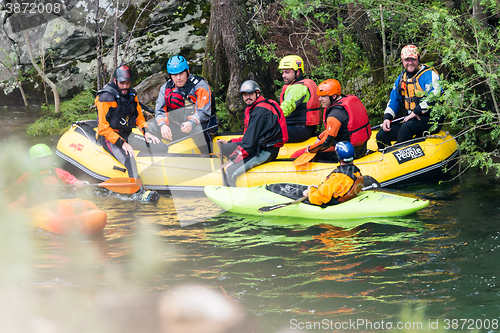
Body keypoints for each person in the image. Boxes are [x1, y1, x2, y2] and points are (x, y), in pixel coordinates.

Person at [95, 65, 160, 202]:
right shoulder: (105, 97)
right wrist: (122, 143)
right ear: (115, 81)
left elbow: (138, 117)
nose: (125, 86)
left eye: (128, 83)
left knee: (159, 146)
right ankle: (139, 192)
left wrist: (146, 132)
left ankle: (150, 172)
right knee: (129, 157)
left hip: (127, 134)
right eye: (122, 83)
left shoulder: (132, 94)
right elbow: (103, 128)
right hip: (110, 137)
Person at [217, 80, 288, 187]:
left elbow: (249, 143)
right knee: (227, 147)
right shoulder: (256, 107)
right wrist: (229, 142)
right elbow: (249, 136)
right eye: (245, 94)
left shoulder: (260, 111)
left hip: (266, 151)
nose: (247, 97)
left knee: (230, 172)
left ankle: (233, 200)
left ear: (257, 93)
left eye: (250, 94)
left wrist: (233, 161)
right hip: (258, 146)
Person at [376, 44, 443, 149]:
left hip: (430, 120)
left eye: (413, 59)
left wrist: (416, 111)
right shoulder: (401, 79)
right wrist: (387, 118)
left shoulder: (428, 75)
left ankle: (397, 152)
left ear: (418, 59)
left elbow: (435, 96)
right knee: (381, 135)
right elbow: (394, 101)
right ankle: (385, 159)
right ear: (403, 61)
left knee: (408, 126)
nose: (410, 63)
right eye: (407, 60)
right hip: (410, 119)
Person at [154, 55, 218, 154]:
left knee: (198, 129)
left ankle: (208, 155)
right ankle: (160, 155)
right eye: (175, 75)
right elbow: (159, 110)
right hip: (179, 125)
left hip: (200, 123)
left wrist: (191, 122)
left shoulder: (200, 85)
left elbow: (204, 112)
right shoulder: (166, 88)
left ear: (187, 72)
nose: (178, 78)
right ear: (170, 76)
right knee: (154, 126)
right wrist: (163, 125)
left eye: (181, 74)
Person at [302, 79, 371, 161]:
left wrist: (310, 149)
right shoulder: (345, 101)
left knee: (318, 152)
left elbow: (326, 143)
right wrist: (319, 138)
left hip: (349, 151)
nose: (320, 99)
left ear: (333, 96)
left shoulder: (334, 115)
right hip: (361, 147)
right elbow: (330, 131)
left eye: (323, 96)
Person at [11, 144, 86, 208]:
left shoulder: (58, 172)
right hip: (39, 205)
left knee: (69, 196)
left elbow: (72, 180)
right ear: (35, 161)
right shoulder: (29, 175)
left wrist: (78, 183)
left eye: (48, 157)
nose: (47, 160)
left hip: (59, 204)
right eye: (43, 159)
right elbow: (16, 190)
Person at [303, 141, 362, 206]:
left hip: (332, 202)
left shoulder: (338, 177)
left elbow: (318, 198)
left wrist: (311, 190)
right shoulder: (356, 171)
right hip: (341, 195)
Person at [277, 55, 321, 143]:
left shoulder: (298, 88)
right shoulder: (299, 85)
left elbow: (286, 108)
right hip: (304, 128)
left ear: (297, 72)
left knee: (266, 135)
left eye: (287, 72)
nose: (283, 75)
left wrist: (268, 118)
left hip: (300, 130)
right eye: (282, 72)